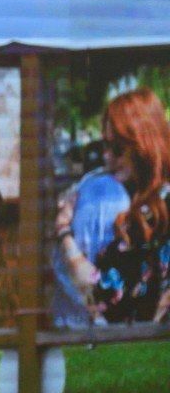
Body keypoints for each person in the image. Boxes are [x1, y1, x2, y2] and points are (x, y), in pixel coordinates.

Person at [56, 87, 170, 325]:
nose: (107, 157)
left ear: (142, 146)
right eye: (104, 146)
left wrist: (64, 231)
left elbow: (102, 297)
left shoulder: (153, 213)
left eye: (117, 149)